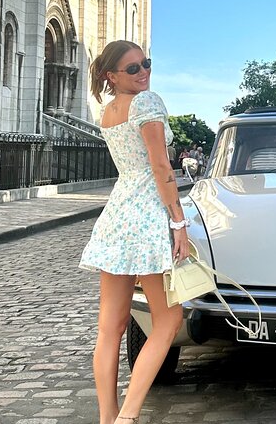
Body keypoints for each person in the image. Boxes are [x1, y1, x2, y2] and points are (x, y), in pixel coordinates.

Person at [79, 40, 190, 424]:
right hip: (145, 216)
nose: (143, 71)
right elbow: (161, 168)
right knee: (168, 319)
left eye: (146, 63)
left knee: (110, 327)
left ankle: (107, 418)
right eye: (132, 68)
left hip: (117, 215)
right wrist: (178, 222)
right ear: (112, 76)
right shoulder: (146, 102)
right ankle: (127, 416)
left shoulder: (108, 111)